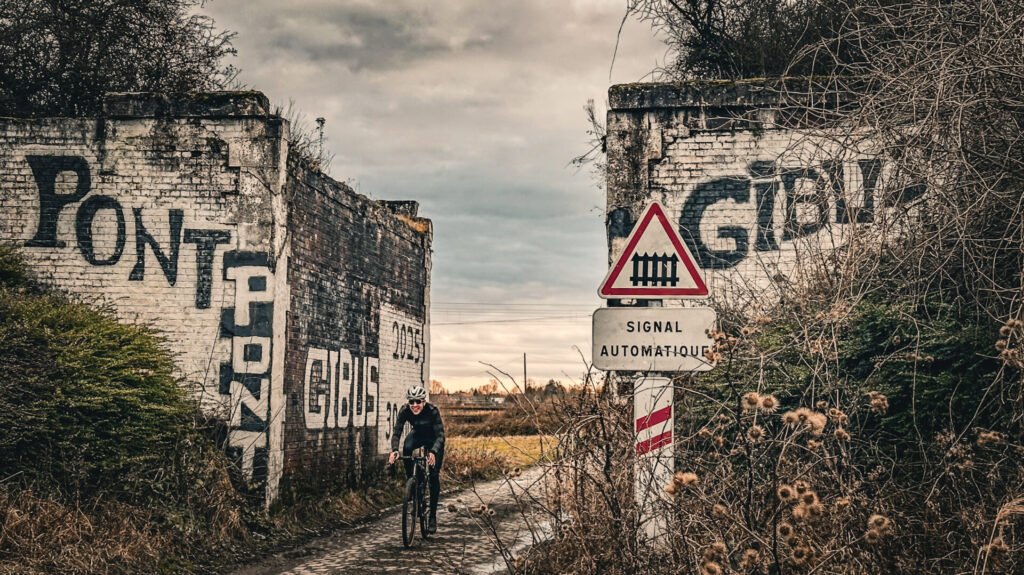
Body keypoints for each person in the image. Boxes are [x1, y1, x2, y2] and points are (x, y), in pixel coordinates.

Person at [388, 385, 445, 533]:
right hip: (418, 435)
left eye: (418, 402)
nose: (414, 406)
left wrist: (433, 452)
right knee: (406, 448)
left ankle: (432, 516)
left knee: (433, 475)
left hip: (434, 440)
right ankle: (413, 482)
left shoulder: (432, 411)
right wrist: (394, 450)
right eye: (411, 402)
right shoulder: (405, 410)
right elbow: (397, 432)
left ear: (424, 401)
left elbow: (440, 435)